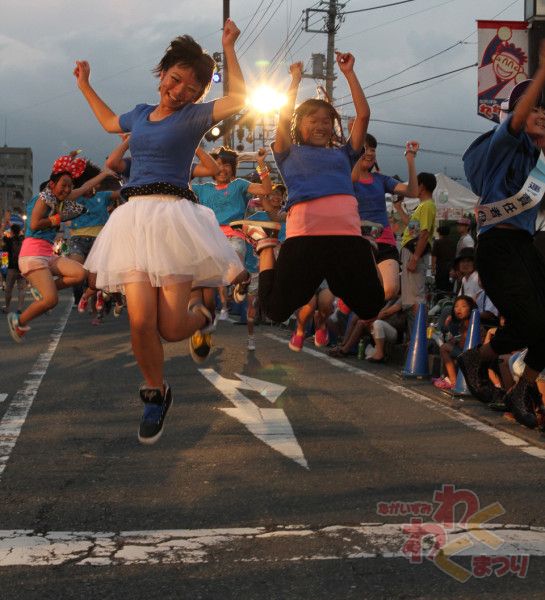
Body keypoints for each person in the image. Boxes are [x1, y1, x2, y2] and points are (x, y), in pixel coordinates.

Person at [73, 20, 247, 445]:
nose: (181, 90)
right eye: (175, 79)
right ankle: (155, 392)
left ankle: (204, 315)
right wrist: (84, 84)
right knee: (140, 322)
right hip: (133, 219)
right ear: (162, 74)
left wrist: (229, 46)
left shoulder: (193, 117)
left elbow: (239, 98)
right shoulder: (138, 114)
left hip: (172, 218)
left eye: (192, 86)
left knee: (170, 327)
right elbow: (108, 121)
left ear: (200, 94)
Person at [255, 56, 384, 328]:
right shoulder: (288, 152)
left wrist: (349, 73)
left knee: (372, 306)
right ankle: (265, 247)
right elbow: (284, 116)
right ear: (298, 124)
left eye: (327, 121)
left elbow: (363, 116)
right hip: (304, 237)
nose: (321, 125)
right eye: (313, 120)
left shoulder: (344, 154)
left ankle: (342, 275)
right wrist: (294, 81)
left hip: (346, 237)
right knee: (275, 311)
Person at [459, 58, 545, 429]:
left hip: (526, 247)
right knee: (530, 321)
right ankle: (479, 357)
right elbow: (515, 120)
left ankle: (522, 389)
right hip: (496, 246)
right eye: (535, 107)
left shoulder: (540, 160)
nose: (540, 113)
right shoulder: (503, 144)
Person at [6, 167, 87, 342]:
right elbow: (34, 224)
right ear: (51, 186)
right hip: (32, 255)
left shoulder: (59, 203)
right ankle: (18, 320)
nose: (67, 189)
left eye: (69, 186)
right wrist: (55, 219)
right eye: (63, 185)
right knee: (51, 301)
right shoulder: (42, 199)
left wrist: (104, 174)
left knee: (80, 273)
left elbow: (81, 189)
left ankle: (41, 289)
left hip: (48, 254)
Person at [192, 146, 272, 318]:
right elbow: (180, 184)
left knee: (232, 276)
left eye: (227, 164)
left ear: (233, 168)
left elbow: (266, 190)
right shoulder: (202, 188)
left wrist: (261, 163)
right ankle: (207, 318)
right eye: (217, 164)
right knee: (201, 281)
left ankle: (244, 279)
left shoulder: (239, 185)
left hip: (234, 236)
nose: (222, 168)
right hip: (210, 239)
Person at [352, 133, 420, 300]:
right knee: (360, 289)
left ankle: (363, 320)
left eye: (372, 149)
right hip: (358, 242)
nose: (369, 153)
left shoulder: (380, 180)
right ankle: (352, 317)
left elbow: (412, 191)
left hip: (384, 241)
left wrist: (410, 159)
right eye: (365, 148)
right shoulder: (347, 179)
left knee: (390, 289)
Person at [393, 172, 437, 330]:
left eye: (415, 184)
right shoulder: (423, 206)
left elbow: (424, 234)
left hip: (415, 253)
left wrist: (415, 258)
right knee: (412, 299)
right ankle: (416, 337)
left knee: (416, 299)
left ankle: (419, 337)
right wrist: (398, 208)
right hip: (412, 251)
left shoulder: (427, 206)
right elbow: (413, 228)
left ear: (422, 186)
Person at [432, 295, 479, 391]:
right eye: (456, 306)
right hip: (466, 353)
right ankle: (446, 377)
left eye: (463, 306)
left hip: (472, 354)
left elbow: (466, 345)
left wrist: (455, 343)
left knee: (444, 348)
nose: (459, 309)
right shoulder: (462, 322)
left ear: (471, 309)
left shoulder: (471, 322)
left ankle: (453, 381)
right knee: (447, 347)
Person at [2, 222, 25, 314]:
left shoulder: (7, 240)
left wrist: (4, 270)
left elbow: (4, 255)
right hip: (22, 268)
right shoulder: (23, 240)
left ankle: (7, 308)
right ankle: (19, 308)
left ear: (11, 231)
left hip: (11, 268)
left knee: (9, 289)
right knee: (21, 289)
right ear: (19, 231)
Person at [431, 224, 456, 294]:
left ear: (439, 233)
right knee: (449, 288)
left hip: (441, 268)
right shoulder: (453, 242)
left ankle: (441, 302)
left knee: (440, 288)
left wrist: (433, 269)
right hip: (451, 268)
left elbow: (434, 257)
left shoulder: (437, 242)